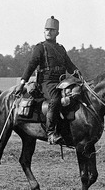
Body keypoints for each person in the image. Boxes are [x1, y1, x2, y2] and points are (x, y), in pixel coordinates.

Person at [15, 16, 81, 145]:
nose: (49, 32)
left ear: (57, 33)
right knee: (55, 99)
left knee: (75, 96)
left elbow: (69, 65)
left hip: (62, 82)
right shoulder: (40, 48)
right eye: (46, 29)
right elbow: (31, 65)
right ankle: (51, 133)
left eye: (52, 30)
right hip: (46, 82)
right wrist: (23, 82)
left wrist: (79, 76)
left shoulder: (61, 48)